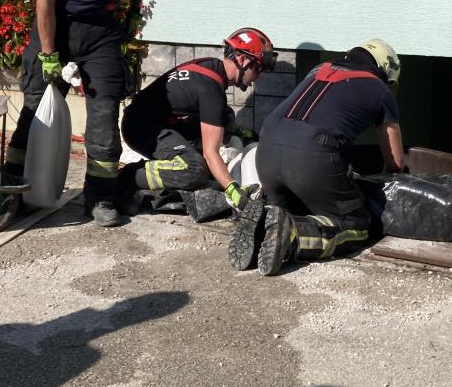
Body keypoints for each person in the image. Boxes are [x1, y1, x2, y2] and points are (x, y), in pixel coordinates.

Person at [4, 0, 160, 228]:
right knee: (36, 111)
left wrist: (133, 12)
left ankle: (100, 197)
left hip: (101, 34)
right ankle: (14, 188)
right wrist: (48, 54)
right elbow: (45, 1)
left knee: (105, 114)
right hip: (57, 28)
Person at [229, 40, 404, 277]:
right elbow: (395, 162)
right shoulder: (380, 89)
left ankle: (262, 221)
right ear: (386, 70)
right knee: (355, 224)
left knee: (290, 210)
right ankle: (294, 236)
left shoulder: (318, 70)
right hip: (312, 154)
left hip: (267, 147)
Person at [118, 28, 277, 212]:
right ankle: (128, 177)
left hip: (154, 119)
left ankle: (225, 138)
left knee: (224, 116)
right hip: (140, 127)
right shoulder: (210, 90)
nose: (257, 77)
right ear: (242, 60)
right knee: (194, 170)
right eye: (258, 68)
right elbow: (211, 153)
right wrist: (233, 189)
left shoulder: (211, 66)